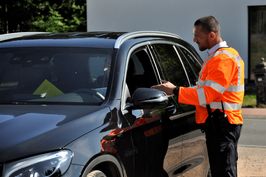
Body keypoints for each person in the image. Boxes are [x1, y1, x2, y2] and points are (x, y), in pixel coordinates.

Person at [152, 16, 244, 177]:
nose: (194, 39)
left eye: (197, 35)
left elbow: (207, 95)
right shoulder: (218, 57)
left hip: (222, 123)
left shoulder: (223, 59)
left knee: (224, 172)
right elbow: (204, 89)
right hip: (220, 122)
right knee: (220, 170)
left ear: (212, 35)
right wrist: (176, 89)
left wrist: (175, 90)